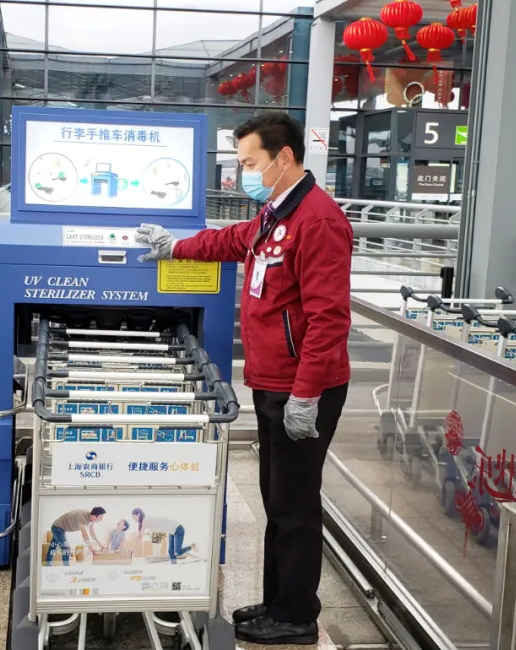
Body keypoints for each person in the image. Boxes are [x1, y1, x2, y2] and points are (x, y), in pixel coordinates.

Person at [135, 112, 352, 646]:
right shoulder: (276, 213)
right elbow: (233, 241)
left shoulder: (318, 221)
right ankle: (279, 602)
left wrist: (306, 394)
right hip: (275, 382)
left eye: (250, 163)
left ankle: (296, 616)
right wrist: (176, 247)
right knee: (278, 498)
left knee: (295, 505)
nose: (243, 174)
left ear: (284, 158)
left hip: (302, 388)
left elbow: (329, 318)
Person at [130, 508, 196, 564]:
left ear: (138, 515)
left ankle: (192, 546)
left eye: (133, 516)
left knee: (178, 552)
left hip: (178, 529)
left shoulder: (145, 520)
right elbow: (141, 534)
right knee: (170, 551)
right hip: (172, 531)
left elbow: (140, 535)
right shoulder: (145, 521)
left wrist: (134, 549)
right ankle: (174, 565)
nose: (133, 518)